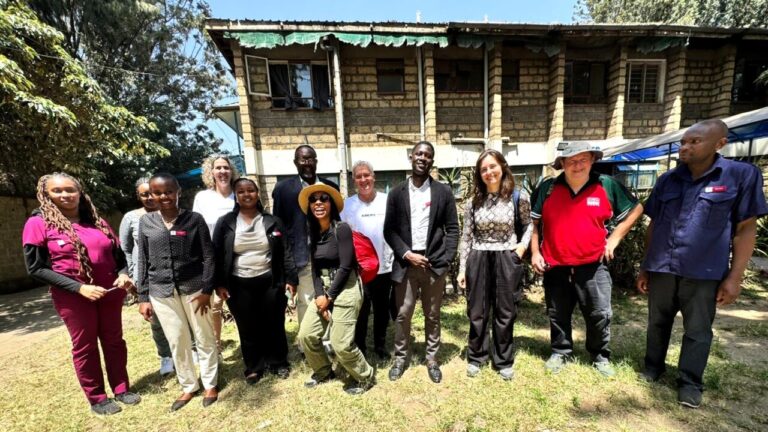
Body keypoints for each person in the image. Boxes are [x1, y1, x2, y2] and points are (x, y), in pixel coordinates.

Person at [636, 119, 768, 409]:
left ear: (719, 143)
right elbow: (654, 224)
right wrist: (646, 265)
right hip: (662, 267)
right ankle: (652, 368)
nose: (685, 147)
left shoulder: (740, 176)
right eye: (684, 142)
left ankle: (690, 382)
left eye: (694, 142)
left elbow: (746, 228)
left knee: (697, 329)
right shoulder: (668, 180)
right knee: (657, 323)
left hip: (704, 271)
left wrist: (735, 277)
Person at [22, 173, 140, 415]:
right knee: (85, 347)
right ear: (46, 195)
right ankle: (97, 397)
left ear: (80, 192)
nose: (65, 195)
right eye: (57, 191)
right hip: (74, 298)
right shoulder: (38, 223)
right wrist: (79, 288)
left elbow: (119, 257)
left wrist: (124, 273)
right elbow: (36, 268)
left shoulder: (97, 222)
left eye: (70, 190)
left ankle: (121, 389)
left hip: (109, 292)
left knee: (114, 341)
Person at [530, 142, 643, 377]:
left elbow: (636, 209)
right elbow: (535, 223)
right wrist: (535, 252)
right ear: (561, 164)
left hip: (593, 264)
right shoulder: (548, 188)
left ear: (592, 160)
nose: (577, 165)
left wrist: (613, 240)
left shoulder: (606, 185)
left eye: (583, 159)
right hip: (556, 264)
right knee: (557, 312)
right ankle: (560, 351)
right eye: (571, 160)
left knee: (599, 313)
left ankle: (599, 355)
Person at [136, 173, 219, 411]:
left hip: (194, 289)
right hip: (161, 291)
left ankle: (210, 382)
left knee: (203, 336)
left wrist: (207, 289)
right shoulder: (147, 222)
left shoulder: (194, 219)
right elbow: (142, 260)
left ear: (178, 191)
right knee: (177, 339)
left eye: (168, 191)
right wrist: (143, 297)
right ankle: (188, 386)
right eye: (158, 192)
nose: (164, 196)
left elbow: (209, 256)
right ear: (151, 195)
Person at [384, 141, 460, 384]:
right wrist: (406, 253)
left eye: (427, 155)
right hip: (406, 264)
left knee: (433, 314)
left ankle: (432, 359)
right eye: (419, 153)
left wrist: (446, 260)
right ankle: (401, 357)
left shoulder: (443, 192)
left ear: (432, 161)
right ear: (411, 157)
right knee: (403, 313)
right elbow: (390, 230)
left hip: (433, 264)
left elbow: (452, 229)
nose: (422, 158)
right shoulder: (396, 193)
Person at [212, 177, 298, 384]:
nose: (246, 194)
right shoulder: (225, 223)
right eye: (241, 191)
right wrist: (219, 283)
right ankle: (254, 366)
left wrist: (291, 279)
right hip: (238, 283)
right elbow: (216, 253)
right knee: (247, 325)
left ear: (257, 193)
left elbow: (285, 251)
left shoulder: (272, 221)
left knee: (275, 322)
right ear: (236, 195)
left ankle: (278, 362)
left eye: (250, 190)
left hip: (271, 280)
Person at [457, 150, 532, 380]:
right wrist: (462, 268)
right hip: (479, 257)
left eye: (492, 166)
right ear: (479, 175)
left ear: (502, 166)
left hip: (506, 257)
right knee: (477, 310)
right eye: (483, 169)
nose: (489, 172)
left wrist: (521, 248)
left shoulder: (518, 197)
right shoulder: (472, 202)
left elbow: (529, 225)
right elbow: (467, 236)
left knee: (505, 310)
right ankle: (477, 356)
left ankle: (503, 359)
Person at [296, 183, 376, 395]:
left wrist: (329, 298)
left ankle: (365, 376)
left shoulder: (342, 229)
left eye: (324, 198)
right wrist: (320, 296)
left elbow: (346, 265)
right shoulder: (314, 233)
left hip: (347, 289)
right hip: (325, 291)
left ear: (331, 204)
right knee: (306, 335)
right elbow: (314, 269)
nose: (319, 203)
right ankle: (323, 371)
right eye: (314, 200)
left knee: (341, 344)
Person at [272, 145, 339, 343]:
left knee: (329, 298)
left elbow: (336, 219)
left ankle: (328, 341)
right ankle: (307, 345)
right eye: (302, 159)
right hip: (301, 255)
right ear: (295, 163)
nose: (307, 163)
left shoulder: (329, 187)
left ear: (316, 161)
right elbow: (279, 227)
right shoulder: (283, 189)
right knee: (306, 301)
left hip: (327, 252)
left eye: (311, 159)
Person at [119, 177, 174, 377]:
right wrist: (131, 275)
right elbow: (125, 249)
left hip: (170, 274)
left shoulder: (170, 214)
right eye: (144, 194)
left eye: (152, 192)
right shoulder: (132, 218)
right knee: (156, 320)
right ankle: (166, 356)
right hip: (145, 276)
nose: (150, 198)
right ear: (139, 196)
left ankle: (190, 350)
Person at [340, 161, 395, 360]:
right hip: (360, 271)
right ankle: (360, 347)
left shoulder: (387, 201)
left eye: (367, 175)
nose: (363, 180)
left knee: (382, 309)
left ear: (373, 177)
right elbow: (342, 238)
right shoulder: (347, 206)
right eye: (359, 176)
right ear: (354, 180)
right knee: (361, 311)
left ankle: (380, 346)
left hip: (385, 266)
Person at [192, 154, 239, 355]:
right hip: (211, 259)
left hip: (237, 259)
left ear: (231, 171)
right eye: (218, 168)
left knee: (239, 305)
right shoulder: (203, 198)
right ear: (211, 172)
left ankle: (249, 344)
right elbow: (197, 228)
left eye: (226, 168)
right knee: (215, 306)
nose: (222, 172)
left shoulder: (239, 194)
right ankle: (216, 345)